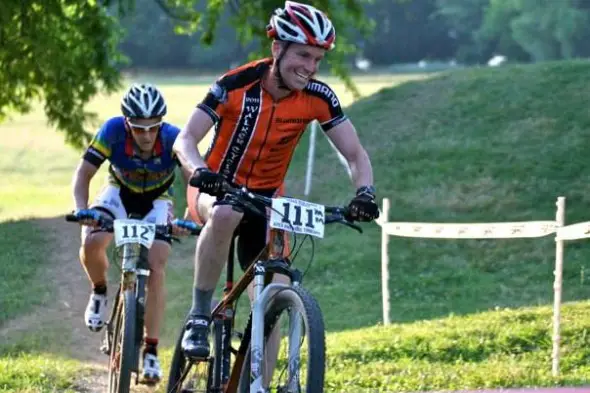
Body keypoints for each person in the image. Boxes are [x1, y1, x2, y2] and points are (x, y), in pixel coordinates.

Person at [173, 0, 380, 380]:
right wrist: (200, 171)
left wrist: (364, 192)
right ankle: (199, 315)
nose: (310, 67)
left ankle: (259, 386)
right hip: (215, 187)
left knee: (273, 296)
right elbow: (185, 139)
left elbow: (354, 154)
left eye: (318, 59)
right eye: (303, 54)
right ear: (276, 49)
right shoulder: (234, 85)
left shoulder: (319, 97)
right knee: (226, 212)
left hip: (268, 200)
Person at [71, 83, 190, 384]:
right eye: (139, 129)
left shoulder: (173, 137)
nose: (147, 135)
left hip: (157, 200)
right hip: (118, 193)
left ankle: (150, 349)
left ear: (161, 123)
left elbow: (193, 181)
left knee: (158, 263)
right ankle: (99, 290)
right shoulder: (112, 131)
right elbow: (83, 174)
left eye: (153, 128)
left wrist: (188, 218)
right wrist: (83, 209)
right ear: (127, 123)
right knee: (93, 239)